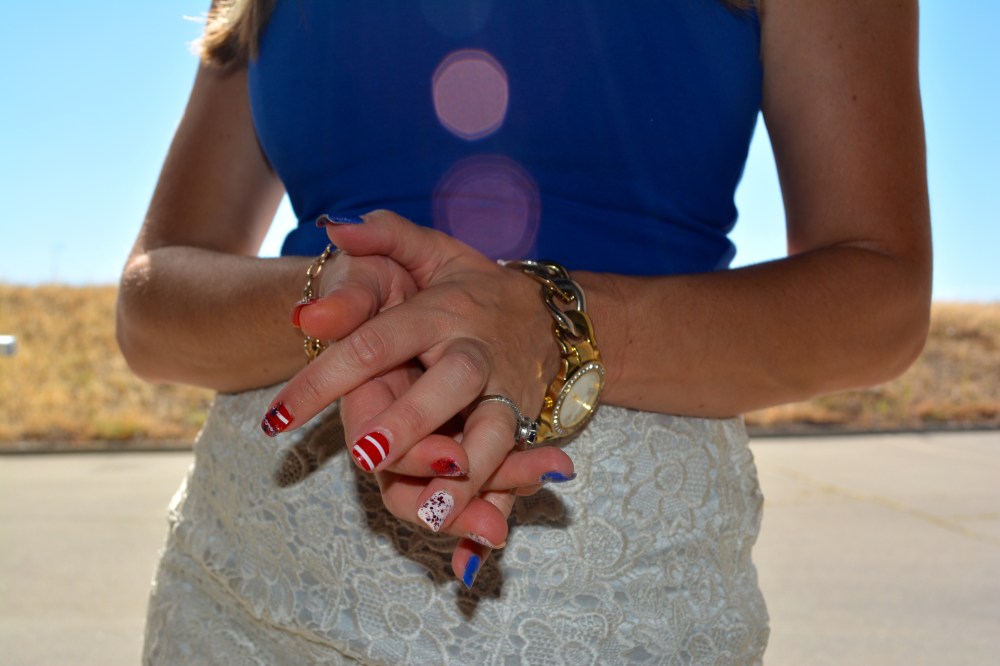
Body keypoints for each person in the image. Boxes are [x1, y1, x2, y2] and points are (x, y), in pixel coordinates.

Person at [117, 0, 931, 662]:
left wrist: (546, 323)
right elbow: (151, 304)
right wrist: (344, 302)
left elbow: (882, 297)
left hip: (619, 604)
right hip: (246, 597)